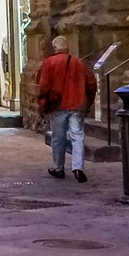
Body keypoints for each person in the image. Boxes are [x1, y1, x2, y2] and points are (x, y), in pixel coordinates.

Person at [36, 35, 97, 182]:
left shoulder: (49, 63)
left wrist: (42, 102)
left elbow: (44, 86)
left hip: (58, 106)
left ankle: (59, 168)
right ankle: (78, 168)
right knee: (77, 136)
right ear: (67, 47)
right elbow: (91, 83)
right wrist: (88, 101)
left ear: (55, 48)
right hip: (77, 105)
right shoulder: (79, 63)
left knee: (58, 138)